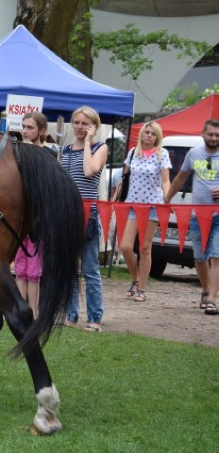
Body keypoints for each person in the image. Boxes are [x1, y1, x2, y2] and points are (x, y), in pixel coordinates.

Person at [60, 105, 108, 332]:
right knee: (69, 268)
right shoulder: (65, 150)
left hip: (89, 214)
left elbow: (89, 171)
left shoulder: (100, 147)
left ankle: (95, 318)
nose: (80, 127)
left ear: (94, 126)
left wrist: (88, 142)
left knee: (90, 270)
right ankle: (70, 314)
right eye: (77, 122)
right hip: (67, 215)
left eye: (85, 123)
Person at [165, 119, 219, 316]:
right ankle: (206, 291)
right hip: (198, 214)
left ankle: (212, 299)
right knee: (199, 256)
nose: (214, 138)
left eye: (217, 135)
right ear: (203, 134)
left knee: (216, 255)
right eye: (211, 134)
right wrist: (167, 198)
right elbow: (180, 177)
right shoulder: (193, 153)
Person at [118, 121, 171, 303]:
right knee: (125, 246)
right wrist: (115, 198)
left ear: (157, 137)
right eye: (146, 132)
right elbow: (124, 178)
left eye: (152, 133)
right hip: (133, 205)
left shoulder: (161, 154)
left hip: (153, 206)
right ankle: (135, 279)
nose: (148, 135)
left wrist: (167, 198)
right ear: (141, 134)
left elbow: (165, 181)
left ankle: (141, 289)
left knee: (145, 247)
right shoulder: (133, 152)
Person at [13, 111, 57, 317]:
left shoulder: (49, 153)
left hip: (39, 217)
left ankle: (33, 311)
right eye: (23, 126)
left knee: (34, 270)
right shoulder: (16, 151)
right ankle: (21, 310)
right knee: (20, 266)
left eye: (29, 127)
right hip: (20, 215)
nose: (24, 131)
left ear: (41, 130)